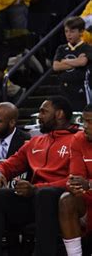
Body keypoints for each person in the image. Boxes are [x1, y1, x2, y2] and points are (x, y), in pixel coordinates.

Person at [0, 97, 78, 256]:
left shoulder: (76, 140)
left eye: (43, 112)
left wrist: (36, 188)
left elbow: (74, 180)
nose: (39, 116)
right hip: (34, 199)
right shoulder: (35, 142)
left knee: (45, 195)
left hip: (61, 202)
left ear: (59, 114)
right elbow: (9, 164)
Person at [58, 104, 92, 256]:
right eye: (84, 121)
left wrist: (89, 184)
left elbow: (87, 183)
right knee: (66, 200)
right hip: (88, 201)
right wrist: (74, 185)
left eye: (90, 122)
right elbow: (76, 176)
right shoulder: (78, 139)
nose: (85, 126)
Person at [53, 16, 92, 111]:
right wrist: (76, 61)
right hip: (64, 89)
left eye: (72, 31)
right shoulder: (61, 49)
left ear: (81, 32)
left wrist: (64, 61)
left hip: (81, 89)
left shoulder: (86, 47)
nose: (68, 35)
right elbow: (56, 66)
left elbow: (82, 62)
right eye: (66, 31)